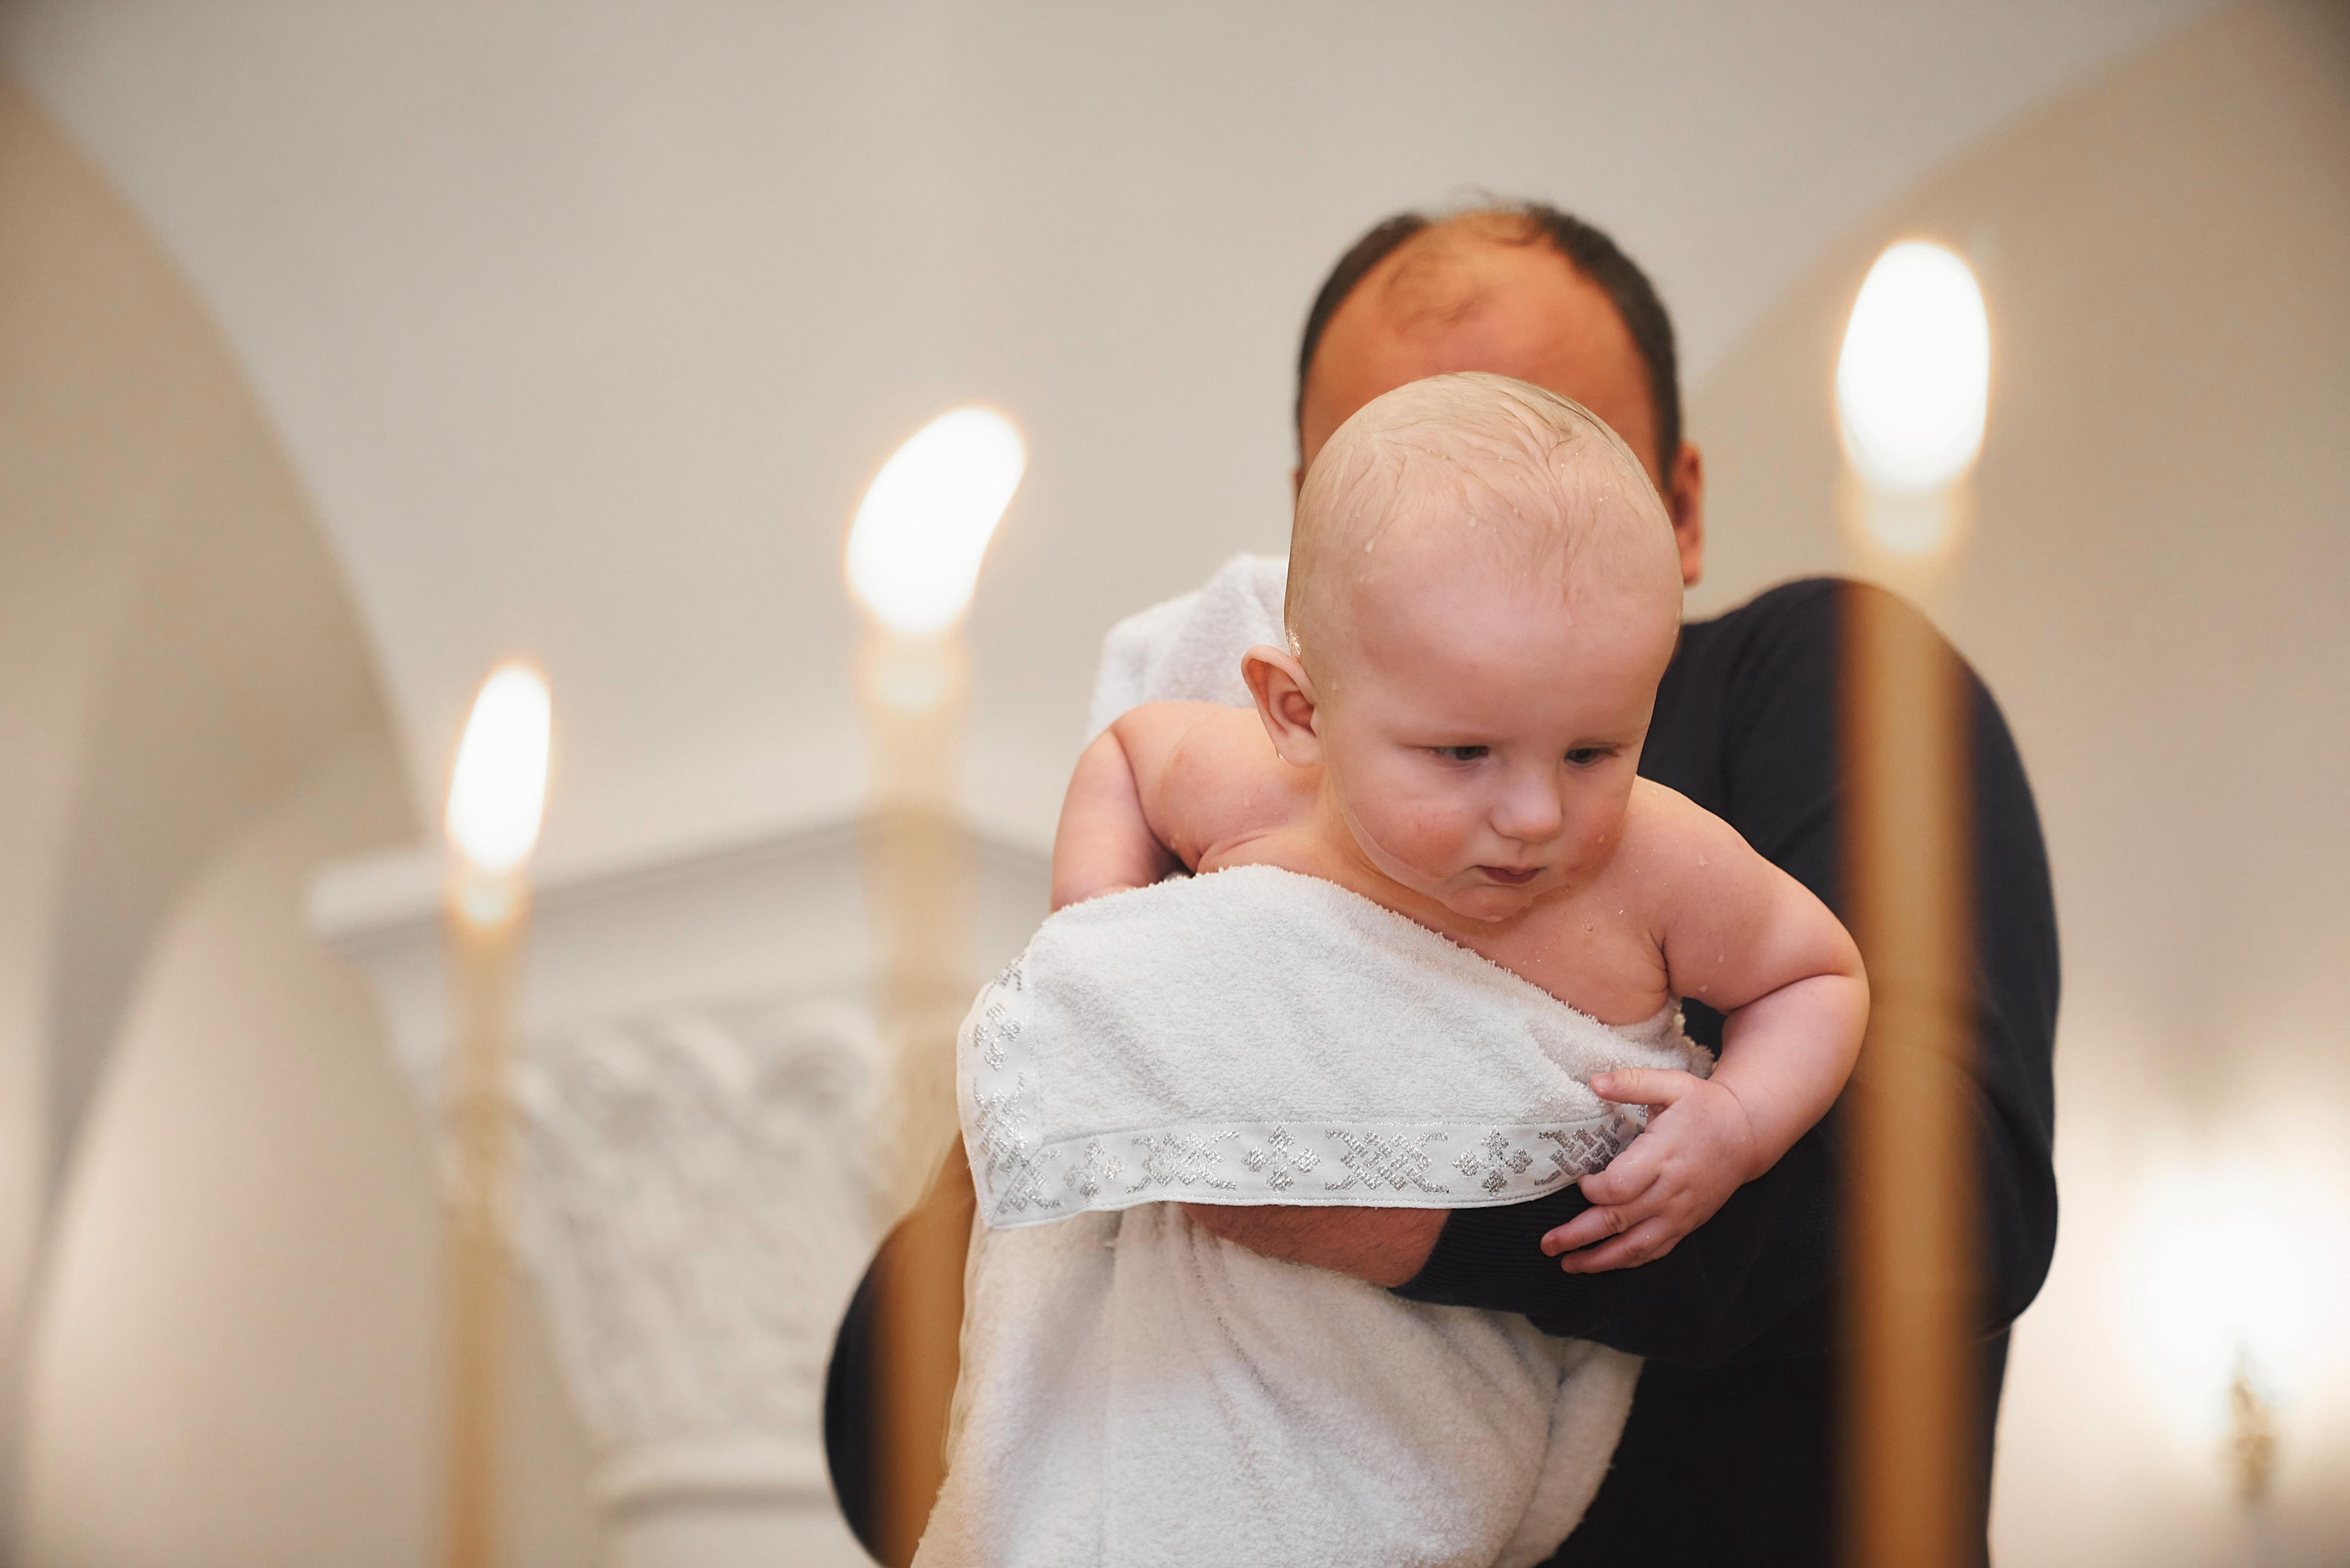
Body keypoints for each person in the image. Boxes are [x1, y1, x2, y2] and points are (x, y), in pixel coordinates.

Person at [828, 204, 2060, 1566]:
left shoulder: (1793, 694)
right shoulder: (1243, 792)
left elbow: (1955, 1192)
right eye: (1403, 468)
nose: (1528, 815)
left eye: (1555, 454)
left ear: (1680, 507)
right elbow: (883, 1418)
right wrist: (1107, 1014)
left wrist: (1400, 1209)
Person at [921, 372, 1865, 1567]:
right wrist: (1109, 944)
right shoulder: (1258, 789)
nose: (1535, 814)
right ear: (1300, 713)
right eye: (1463, 752)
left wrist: (1739, 1122)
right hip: (1195, 1330)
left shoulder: (1657, 863)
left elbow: (1816, 978)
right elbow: (1124, 753)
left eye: (1593, 750)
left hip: (1429, 1383)